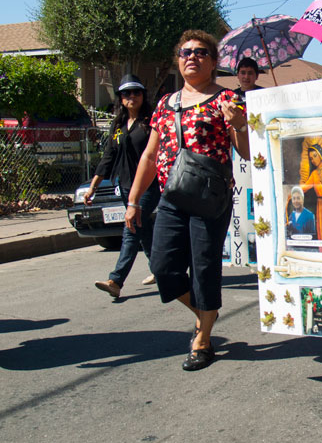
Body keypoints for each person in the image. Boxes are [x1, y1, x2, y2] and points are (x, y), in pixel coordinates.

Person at [124, 29, 249, 371]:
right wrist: (134, 200)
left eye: (200, 52)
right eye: (185, 52)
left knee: (204, 269)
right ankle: (205, 312)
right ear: (178, 60)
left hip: (210, 198)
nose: (191, 57)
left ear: (213, 61)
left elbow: (248, 152)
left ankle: (203, 339)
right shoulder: (166, 103)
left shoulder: (229, 99)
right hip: (171, 197)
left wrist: (238, 124)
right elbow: (150, 156)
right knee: (163, 267)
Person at [91, 74, 160, 297]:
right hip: (126, 185)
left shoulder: (151, 121)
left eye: (136, 92)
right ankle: (161, 270)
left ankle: (116, 280)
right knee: (144, 229)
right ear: (120, 98)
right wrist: (93, 186)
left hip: (149, 185)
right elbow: (108, 156)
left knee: (131, 227)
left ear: (143, 96)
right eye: (126, 93)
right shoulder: (118, 124)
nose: (132, 97)